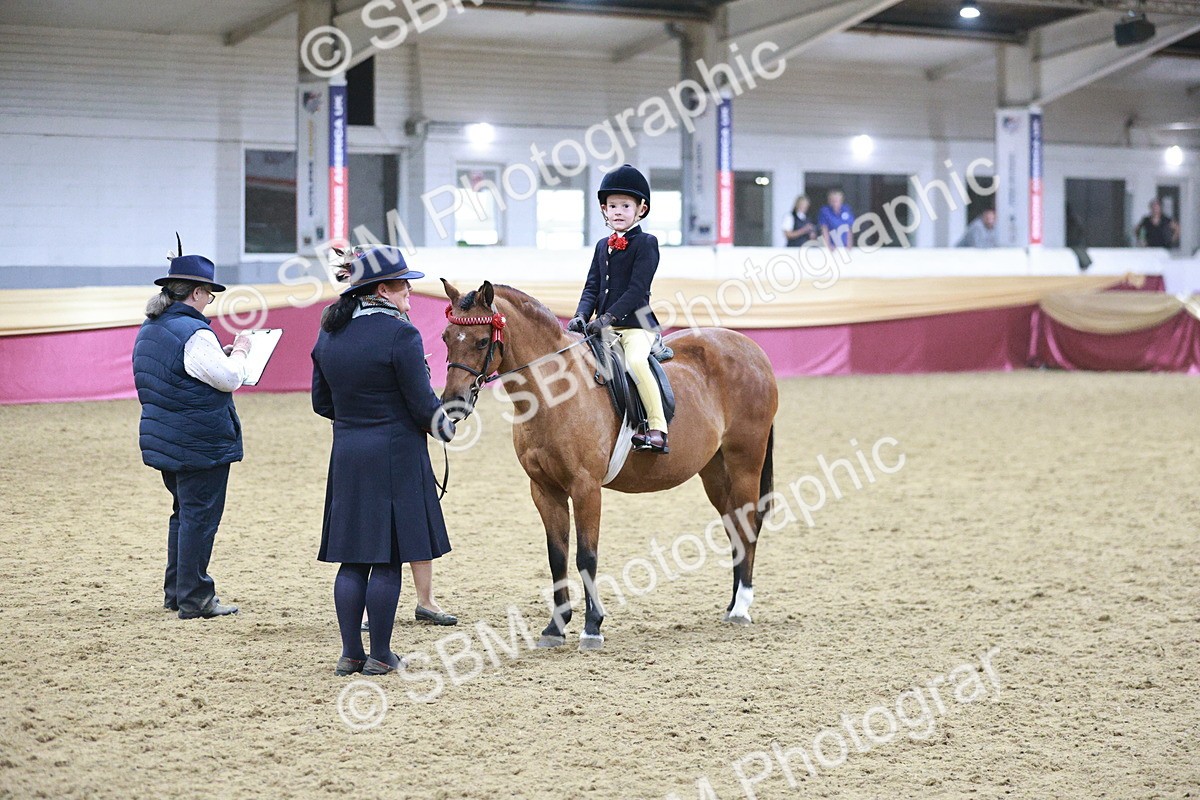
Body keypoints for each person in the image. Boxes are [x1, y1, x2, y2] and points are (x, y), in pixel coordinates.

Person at [312, 247, 457, 677]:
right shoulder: (402, 335)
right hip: (396, 455)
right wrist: (445, 423)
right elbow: (420, 404)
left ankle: (350, 654)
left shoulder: (330, 332)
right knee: (389, 558)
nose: (409, 290)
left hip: (349, 454)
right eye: (403, 283)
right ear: (382, 290)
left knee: (353, 559)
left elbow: (322, 402)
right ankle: (380, 654)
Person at [132, 243, 252, 620]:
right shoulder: (195, 333)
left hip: (165, 436)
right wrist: (243, 350)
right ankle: (196, 597)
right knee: (200, 517)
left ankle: (177, 591)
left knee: (183, 514)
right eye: (209, 293)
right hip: (201, 439)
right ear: (197, 292)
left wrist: (223, 354)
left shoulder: (151, 328)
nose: (211, 300)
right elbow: (230, 378)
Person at [568, 164, 669, 454]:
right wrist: (581, 315)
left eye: (626, 205)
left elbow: (637, 291)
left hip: (637, 326)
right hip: (604, 328)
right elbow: (591, 287)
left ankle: (657, 428)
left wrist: (609, 317)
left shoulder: (647, 243)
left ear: (641, 209)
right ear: (604, 210)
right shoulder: (602, 246)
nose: (618, 211)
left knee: (636, 363)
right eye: (613, 206)